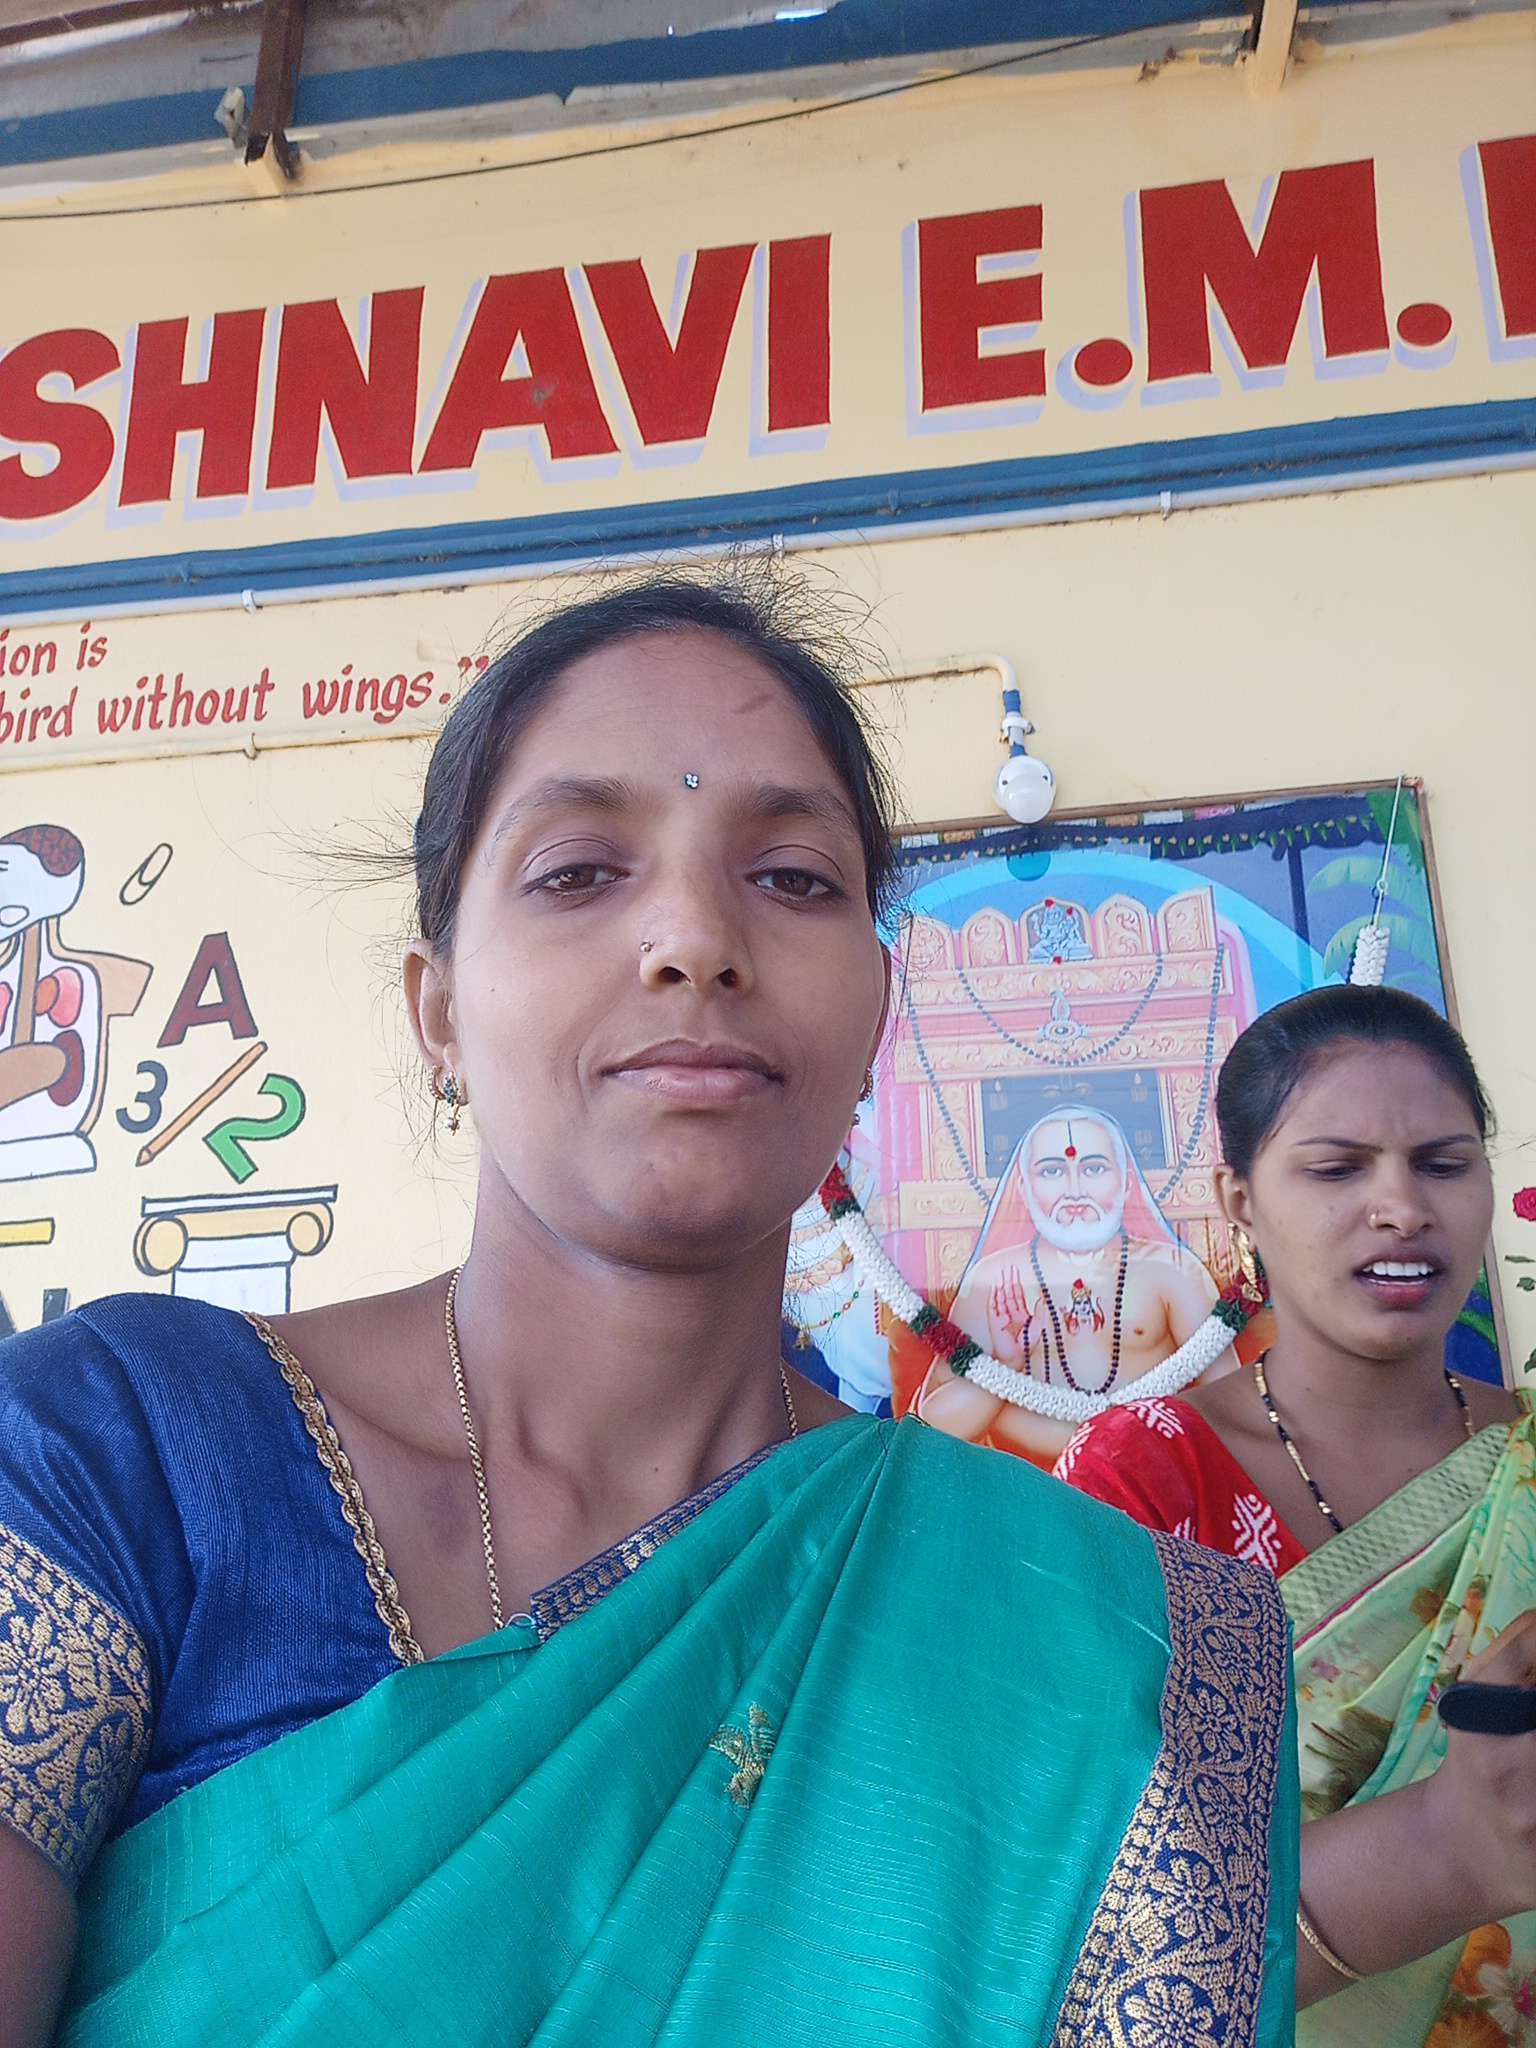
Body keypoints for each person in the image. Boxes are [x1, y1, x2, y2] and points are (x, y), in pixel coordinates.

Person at [0, 572, 1298, 2048]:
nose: (694, 936)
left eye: (791, 877)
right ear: (438, 1010)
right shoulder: (113, 1456)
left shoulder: (1113, 1656)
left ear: (877, 1014)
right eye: (577, 871)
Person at [1056, 985, 1536, 2041]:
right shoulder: (1146, 1480)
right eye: (1336, 1168)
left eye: (1443, 1163)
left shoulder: (1527, 1467)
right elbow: (1077, 1905)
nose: (1401, 1206)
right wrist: (1441, 1845)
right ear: (1239, 1199)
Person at [917, 1105, 1235, 1463]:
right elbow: (930, 1429)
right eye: (1052, 1171)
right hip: (1024, 1485)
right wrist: (1006, 1366)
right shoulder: (994, 1280)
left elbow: (1232, 1407)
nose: (1074, 1190)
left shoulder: (1173, 1271)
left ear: (1126, 1181)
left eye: (1094, 1168)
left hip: (1149, 1480)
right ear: (1024, 1187)